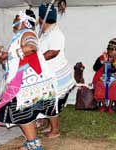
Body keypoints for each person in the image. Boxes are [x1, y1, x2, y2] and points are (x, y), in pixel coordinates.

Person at [0, 10, 57, 150]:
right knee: (23, 112)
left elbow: (31, 48)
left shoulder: (27, 33)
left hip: (25, 81)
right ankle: (32, 142)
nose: (14, 22)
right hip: (21, 80)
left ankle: (34, 145)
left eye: (16, 18)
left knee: (21, 112)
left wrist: (8, 54)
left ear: (24, 21)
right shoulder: (19, 35)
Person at [38, 1, 75, 138]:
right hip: (49, 74)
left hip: (57, 75)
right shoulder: (46, 32)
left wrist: (37, 60)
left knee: (51, 101)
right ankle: (50, 126)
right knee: (47, 100)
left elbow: (53, 52)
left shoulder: (56, 33)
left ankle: (55, 130)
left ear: (41, 19)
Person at [92, 38, 116, 114]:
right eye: (108, 48)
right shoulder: (102, 57)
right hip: (102, 78)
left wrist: (114, 62)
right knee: (100, 84)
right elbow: (95, 68)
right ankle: (103, 105)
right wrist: (103, 61)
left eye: (112, 49)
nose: (109, 51)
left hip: (115, 79)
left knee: (114, 85)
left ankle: (110, 106)